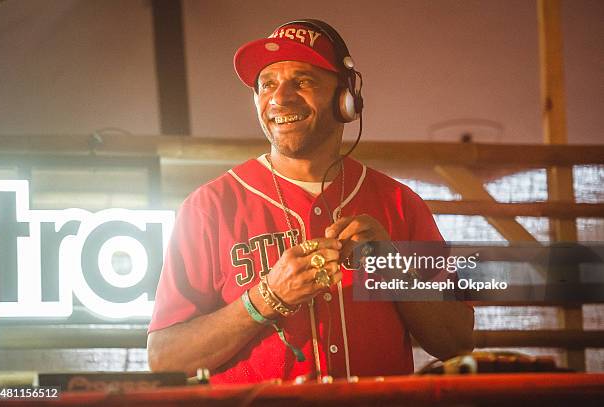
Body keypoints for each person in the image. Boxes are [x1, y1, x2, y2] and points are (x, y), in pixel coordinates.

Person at [147, 19, 474, 384]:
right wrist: (265, 299)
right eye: (267, 84)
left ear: (346, 98)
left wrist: (394, 268)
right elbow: (164, 358)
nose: (280, 97)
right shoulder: (208, 208)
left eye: (303, 81)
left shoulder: (400, 202)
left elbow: (457, 342)